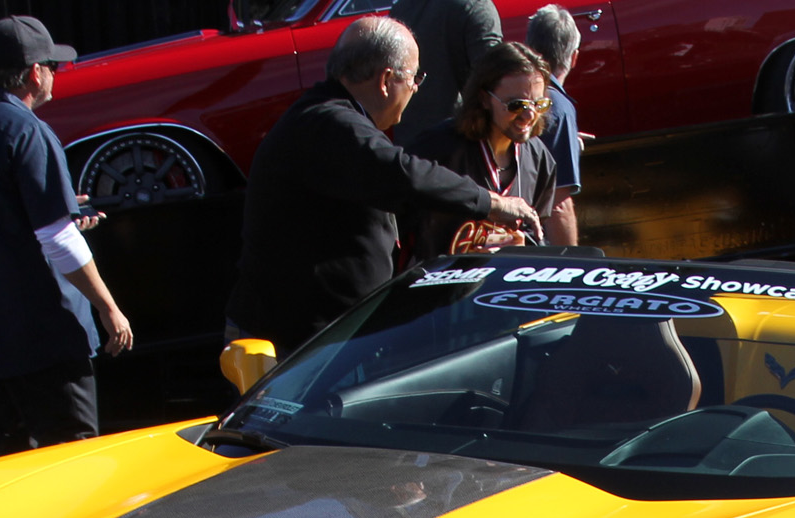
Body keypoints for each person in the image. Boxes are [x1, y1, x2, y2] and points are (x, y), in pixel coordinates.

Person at [225, 17, 538, 354]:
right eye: (415, 77)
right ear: (387, 80)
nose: (417, 88)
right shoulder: (328, 122)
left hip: (329, 332)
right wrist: (494, 203)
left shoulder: (337, 121)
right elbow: (404, 175)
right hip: (291, 343)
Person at [0, 16, 132, 451]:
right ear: (33, 74)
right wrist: (109, 307)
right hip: (46, 339)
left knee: (12, 471)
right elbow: (58, 241)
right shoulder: (27, 130)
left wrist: (61, 211)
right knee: (73, 460)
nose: (56, 76)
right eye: (53, 67)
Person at [407, 42, 559, 259]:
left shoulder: (539, 159)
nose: (529, 115)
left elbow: (537, 235)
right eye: (516, 105)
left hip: (500, 290)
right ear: (485, 99)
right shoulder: (437, 150)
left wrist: (522, 244)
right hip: (440, 288)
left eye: (539, 104)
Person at [389, 0, 502, 144]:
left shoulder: (401, 8)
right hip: (458, 144)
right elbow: (494, 80)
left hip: (409, 142)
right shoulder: (476, 6)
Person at [524, 4, 585, 245]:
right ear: (574, 57)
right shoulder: (558, 109)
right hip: (532, 241)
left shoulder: (511, 94)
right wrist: (572, 268)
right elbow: (558, 205)